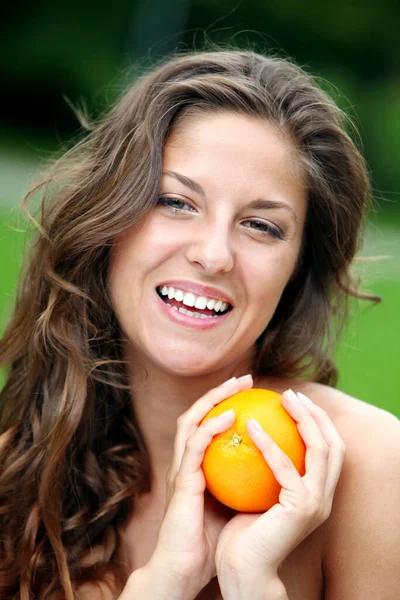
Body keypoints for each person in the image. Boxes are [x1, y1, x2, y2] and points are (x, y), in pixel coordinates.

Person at [0, 48, 399, 600]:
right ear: (107, 220)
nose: (214, 254)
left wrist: (254, 587)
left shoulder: (374, 470)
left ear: (297, 268)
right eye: (176, 202)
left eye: (261, 225)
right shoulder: (16, 474)